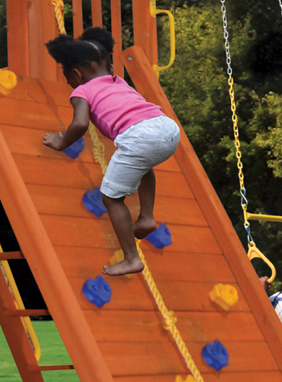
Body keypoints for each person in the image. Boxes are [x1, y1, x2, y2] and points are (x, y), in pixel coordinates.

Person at [41, 26, 180, 277]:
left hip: (139, 137)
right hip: (167, 128)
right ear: (110, 66)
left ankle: (131, 259)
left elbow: (80, 124)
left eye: (68, 78)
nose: (69, 83)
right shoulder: (119, 81)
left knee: (111, 198)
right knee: (143, 164)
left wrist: (61, 142)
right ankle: (146, 217)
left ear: (76, 73)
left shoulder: (81, 91)